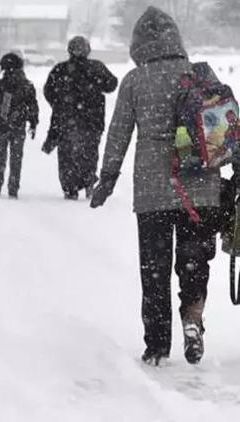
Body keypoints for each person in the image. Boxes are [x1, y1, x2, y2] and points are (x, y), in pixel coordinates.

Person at [90, 7, 223, 366]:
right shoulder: (198, 76)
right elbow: (222, 132)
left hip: (153, 191)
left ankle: (157, 345)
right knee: (194, 262)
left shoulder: (135, 80)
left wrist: (107, 177)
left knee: (155, 269)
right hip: (202, 189)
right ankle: (193, 319)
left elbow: (118, 133)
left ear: (138, 43)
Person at [43, 36, 118, 200]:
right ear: (87, 50)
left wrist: (59, 104)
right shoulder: (96, 67)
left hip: (66, 121)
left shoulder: (60, 70)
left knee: (67, 156)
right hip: (93, 121)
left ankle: (70, 188)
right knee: (89, 153)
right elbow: (112, 84)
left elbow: (48, 91)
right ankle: (88, 181)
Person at [0, 53, 38, 199]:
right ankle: (13, 186)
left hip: (1, 126)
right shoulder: (27, 86)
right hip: (18, 126)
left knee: (0, 156)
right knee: (16, 157)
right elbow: (33, 106)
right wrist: (33, 122)